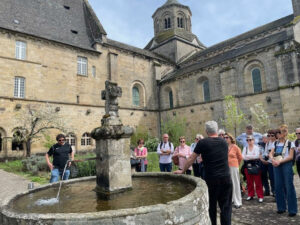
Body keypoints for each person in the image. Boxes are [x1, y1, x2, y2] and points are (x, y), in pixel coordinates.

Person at [175, 121, 232, 225]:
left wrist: (182, 170)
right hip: (226, 178)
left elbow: (192, 158)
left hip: (212, 179)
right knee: (226, 208)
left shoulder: (203, 143)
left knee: (211, 207)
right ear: (216, 129)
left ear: (206, 131)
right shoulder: (224, 142)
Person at [269, 124, 298, 217]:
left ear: (285, 133)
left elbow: (290, 156)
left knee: (289, 186)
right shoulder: (275, 143)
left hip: (286, 164)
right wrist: (272, 159)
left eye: (280, 132)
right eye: (278, 132)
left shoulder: (290, 143)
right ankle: (281, 207)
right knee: (278, 186)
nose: (278, 134)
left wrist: (280, 162)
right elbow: (271, 153)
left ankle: (292, 209)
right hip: (276, 165)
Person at [242, 135, 264, 203]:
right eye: (247, 140)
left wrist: (248, 156)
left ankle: (260, 196)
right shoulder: (245, 148)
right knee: (249, 181)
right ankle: (250, 194)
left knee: (258, 182)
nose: (249, 141)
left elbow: (257, 156)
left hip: (255, 166)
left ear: (253, 140)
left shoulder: (257, 147)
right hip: (247, 166)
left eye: (250, 139)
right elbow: (243, 156)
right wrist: (251, 157)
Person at [224, 133, 243, 208]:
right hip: (226, 167)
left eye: (227, 137)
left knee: (235, 183)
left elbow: (240, 157)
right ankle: (231, 199)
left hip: (234, 166)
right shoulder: (225, 147)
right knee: (228, 184)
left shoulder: (235, 147)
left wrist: (236, 164)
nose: (225, 138)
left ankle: (238, 202)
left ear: (231, 138)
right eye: (224, 137)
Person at [260, 130, 276, 196]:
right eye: (268, 136)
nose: (269, 137)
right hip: (268, 162)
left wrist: (269, 155)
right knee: (269, 177)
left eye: (271, 135)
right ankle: (271, 191)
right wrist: (266, 156)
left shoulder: (276, 142)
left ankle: (274, 191)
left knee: (273, 178)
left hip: (273, 162)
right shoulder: (268, 143)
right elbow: (266, 152)